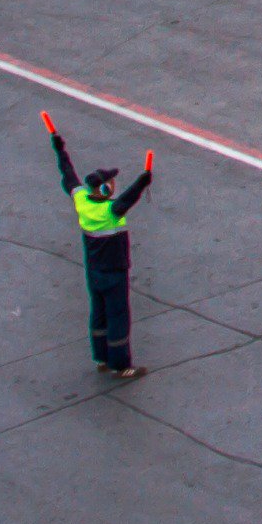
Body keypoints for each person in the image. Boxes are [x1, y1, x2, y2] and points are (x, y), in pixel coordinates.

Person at [45, 113, 154, 379]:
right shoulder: (111, 211)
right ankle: (121, 364)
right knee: (118, 315)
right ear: (105, 189)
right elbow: (129, 197)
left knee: (99, 312)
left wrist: (59, 147)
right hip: (115, 272)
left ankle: (101, 357)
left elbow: (67, 173)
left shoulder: (81, 200)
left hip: (93, 271)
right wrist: (144, 179)